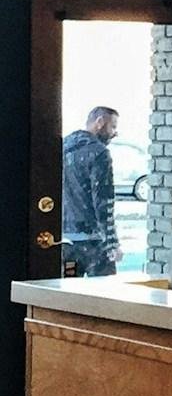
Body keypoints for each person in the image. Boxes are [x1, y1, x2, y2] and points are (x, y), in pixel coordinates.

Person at [61, 106, 121, 277]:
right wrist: (112, 244)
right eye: (113, 127)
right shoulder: (100, 153)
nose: (115, 133)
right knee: (104, 296)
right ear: (100, 123)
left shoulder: (64, 146)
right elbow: (103, 201)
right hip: (93, 241)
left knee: (68, 293)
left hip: (66, 239)